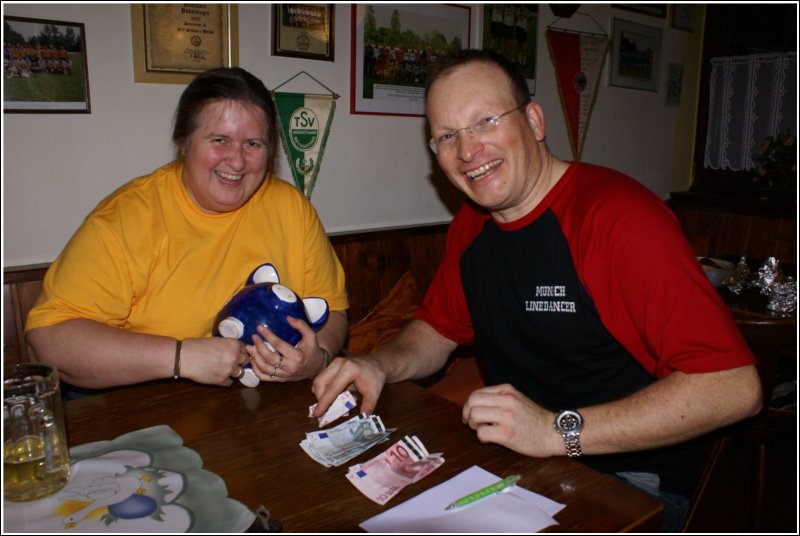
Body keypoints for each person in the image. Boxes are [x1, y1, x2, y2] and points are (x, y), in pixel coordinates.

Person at [311, 49, 762, 532]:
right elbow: (438, 329)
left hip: (628, 479)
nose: (467, 151)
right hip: (519, 465)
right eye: (446, 136)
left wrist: (553, 431)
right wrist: (378, 363)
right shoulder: (472, 223)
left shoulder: (620, 218)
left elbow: (733, 388)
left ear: (534, 120)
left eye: (485, 120)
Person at [26, 67, 349, 395]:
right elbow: (49, 341)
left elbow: (333, 309)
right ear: (184, 142)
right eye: (219, 140)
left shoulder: (292, 208)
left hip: (259, 412)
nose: (237, 161)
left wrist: (317, 359)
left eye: (253, 143)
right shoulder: (126, 217)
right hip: (136, 409)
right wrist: (179, 356)